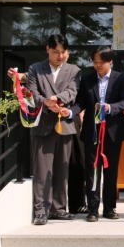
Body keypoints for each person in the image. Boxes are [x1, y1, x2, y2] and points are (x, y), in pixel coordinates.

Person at [24, 34, 81, 226]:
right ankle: (41, 210)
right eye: (56, 52)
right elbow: (31, 93)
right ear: (47, 49)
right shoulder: (35, 69)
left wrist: (58, 100)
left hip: (64, 125)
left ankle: (59, 208)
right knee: (42, 170)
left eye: (64, 52)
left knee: (62, 169)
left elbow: (72, 91)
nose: (61, 56)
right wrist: (46, 102)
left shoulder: (74, 70)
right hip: (42, 126)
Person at [69, 46, 124, 222]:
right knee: (92, 171)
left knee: (110, 172)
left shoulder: (121, 78)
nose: (97, 65)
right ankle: (92, 209)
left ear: (110, 61)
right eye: (95, 62)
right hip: (91, 131)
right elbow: (80, 103)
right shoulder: (87, 79)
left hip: (113, 131)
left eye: (101, 62)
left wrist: (110, 108)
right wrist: (70, 112)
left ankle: (110, 208)